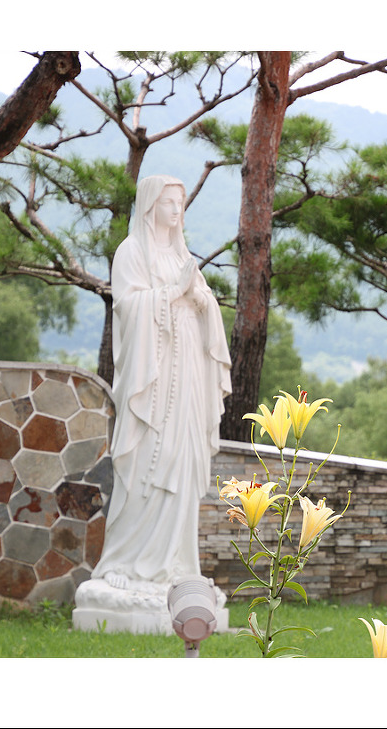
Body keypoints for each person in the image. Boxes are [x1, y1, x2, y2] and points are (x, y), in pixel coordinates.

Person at [92, 174, 231, 591]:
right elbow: (128, 306)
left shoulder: (180, 253)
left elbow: (204, 303)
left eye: (180, 203)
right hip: (152, 378)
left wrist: (201, 300)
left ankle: (177, 564)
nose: (176, 210)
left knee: (183, 458)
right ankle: (128, 561)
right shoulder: (132, 251)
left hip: (187, 372)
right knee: (149, 461)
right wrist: (174, 291)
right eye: (169, 202)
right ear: (151, 205)